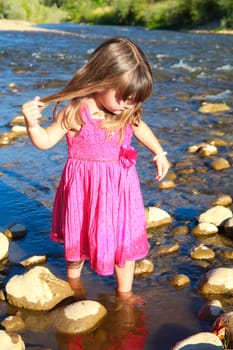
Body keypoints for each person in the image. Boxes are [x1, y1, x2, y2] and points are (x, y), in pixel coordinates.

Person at [22, 36, 170, 304]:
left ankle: (125, 293)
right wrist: (33, 125)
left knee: (122, 242)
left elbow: (140, 127)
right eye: (125, 97)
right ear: (102, 80)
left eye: (135, 100)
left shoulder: (127, 109)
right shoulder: (78, 110)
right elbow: (45, 142)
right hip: (85, 190)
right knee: (78, 241)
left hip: (120, 190)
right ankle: (75, 284)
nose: (129, 104)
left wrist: (159, 152)